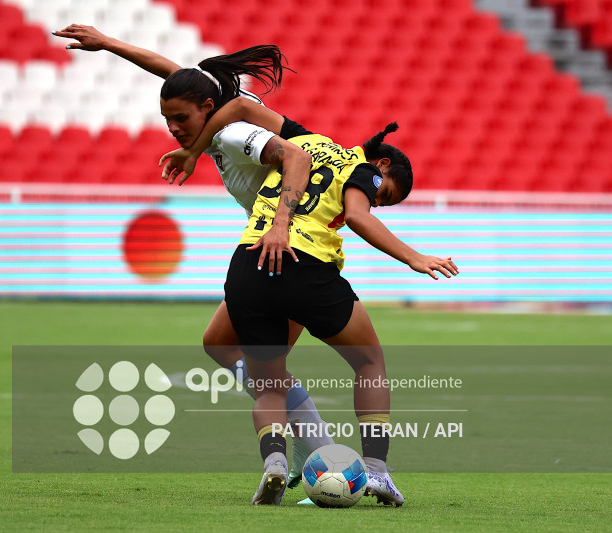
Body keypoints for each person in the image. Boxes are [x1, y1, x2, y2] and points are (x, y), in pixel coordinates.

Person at [53, 24, 340, 487]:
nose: (173, 128)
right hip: (283, 246)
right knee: (220, 344)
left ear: (208, 109)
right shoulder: (212, 108)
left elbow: (297, 159)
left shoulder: (232, 134)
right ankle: (316, 451)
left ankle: (318, 457)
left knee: (265, 369)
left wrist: (282, 225)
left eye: (181, 119)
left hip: (293, 249)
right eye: (168, 119)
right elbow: (170, 71)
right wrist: (108, 44)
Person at [166, 97, 458, 505]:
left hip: (249, 261)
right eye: (384, 196)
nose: (377, 201)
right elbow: (357, 216)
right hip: (304, 266)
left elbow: (239, 106)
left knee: (268, 382)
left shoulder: (305, 138)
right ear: (383, 166)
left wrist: (195, 149)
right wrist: (414, 257)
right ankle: (376, 472)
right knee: (369, 361)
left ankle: (274, 464)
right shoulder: (363, 170)